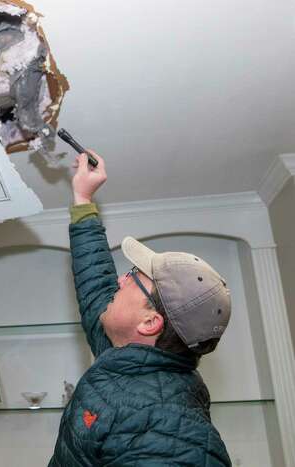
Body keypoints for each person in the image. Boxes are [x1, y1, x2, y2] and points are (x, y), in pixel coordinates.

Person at [48, 151, 232, 466]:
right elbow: (96, 285)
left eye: (134, 277)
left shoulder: (165, 425)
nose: (120, 279)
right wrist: (83, 199)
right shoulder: (123, 358)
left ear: (149, 322)